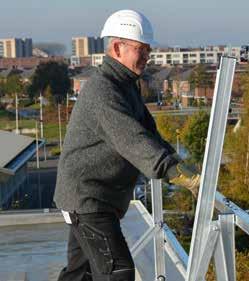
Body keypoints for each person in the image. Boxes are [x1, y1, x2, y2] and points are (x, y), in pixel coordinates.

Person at [54, 10, 200, 281]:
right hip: (88, 198)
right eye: (140, 49)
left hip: (96, 195)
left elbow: (149, 134)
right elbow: (133, 140)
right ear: (117, 47)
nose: (146, 56)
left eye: (148, 50)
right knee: (117, 272)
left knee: (80, 273)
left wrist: (180, 165)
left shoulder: (126, 85)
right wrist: (177, 174)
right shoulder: (103, 90)